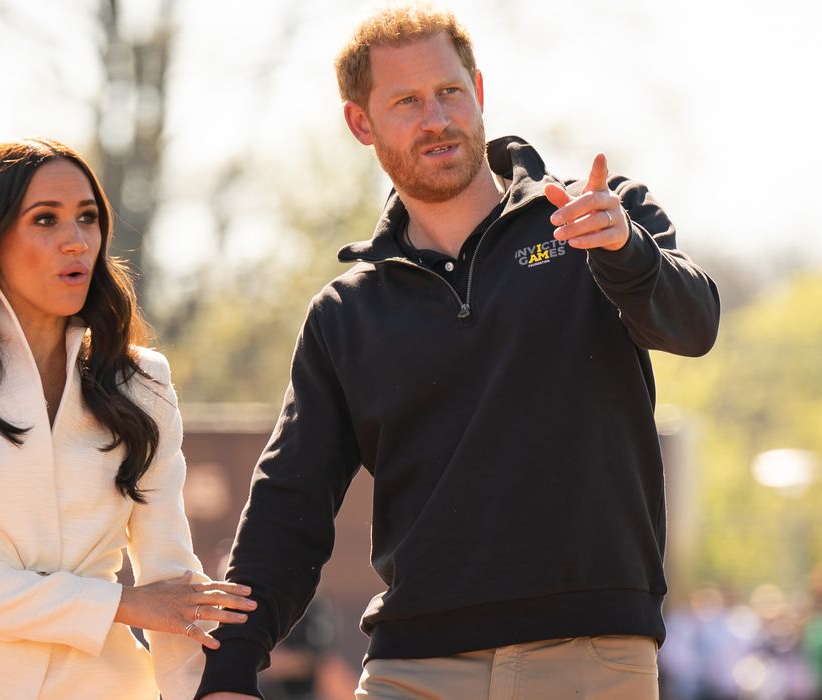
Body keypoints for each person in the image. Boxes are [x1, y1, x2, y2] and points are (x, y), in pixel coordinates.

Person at [195, 5, 720, 699]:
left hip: (589, 657)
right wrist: (228, 670)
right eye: (406, 101)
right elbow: (287, 507)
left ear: (478, 89)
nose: (435, 118)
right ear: (361, 124)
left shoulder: (597, 218)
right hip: (410, 668)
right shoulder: (346, 314)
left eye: (448, 92)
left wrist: (628, 254)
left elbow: (692, 325)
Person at [0, 138, 255, 699]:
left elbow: (171, 579)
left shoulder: (142, 382)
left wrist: (204, 692)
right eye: (46, 219)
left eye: (88, 219)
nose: (76, 241)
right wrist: (120, 605)